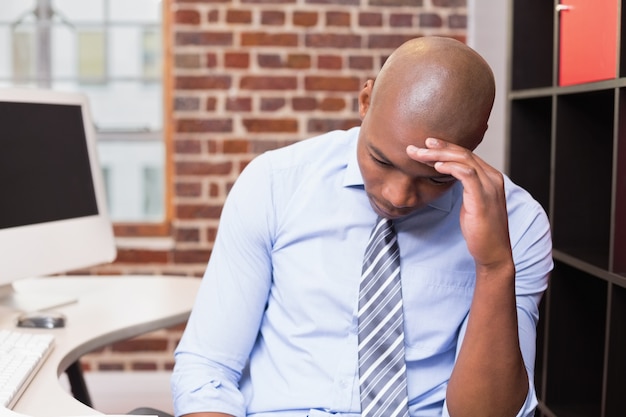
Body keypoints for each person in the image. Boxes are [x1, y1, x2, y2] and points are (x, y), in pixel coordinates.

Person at [171, 36, 553, 417]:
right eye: (381, 161)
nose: (399, 196)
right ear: (365, 101)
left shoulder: (518, 223)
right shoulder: (275, 183)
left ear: (477, 137)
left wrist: (493, 266)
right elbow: (208, 371)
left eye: (434, 178)